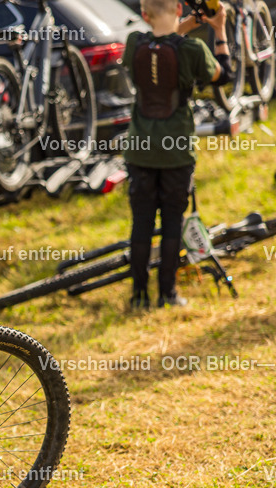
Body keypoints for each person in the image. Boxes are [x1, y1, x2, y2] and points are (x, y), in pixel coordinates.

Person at [122, 0, 231, 309]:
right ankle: (167, 294)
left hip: (139, 151)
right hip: (176, 153)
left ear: (144, 14)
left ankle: (139, 296)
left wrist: (178, 29)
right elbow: (224, 74)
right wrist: (219, 27)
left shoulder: (134, 43)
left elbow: (158, 47)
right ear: (179, 9)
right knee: (172, 223)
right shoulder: (192, 50)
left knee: (140, 224)